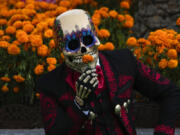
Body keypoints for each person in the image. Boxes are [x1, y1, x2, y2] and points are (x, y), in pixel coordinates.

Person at [36, 9, 180, 135]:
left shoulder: (123, 62)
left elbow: (170, 92)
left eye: (88, 39)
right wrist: (78, 103)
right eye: (73, 45)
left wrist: (164, 132)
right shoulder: (50, 84)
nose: (84, 49)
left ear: (96, 38)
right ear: (61, 50)